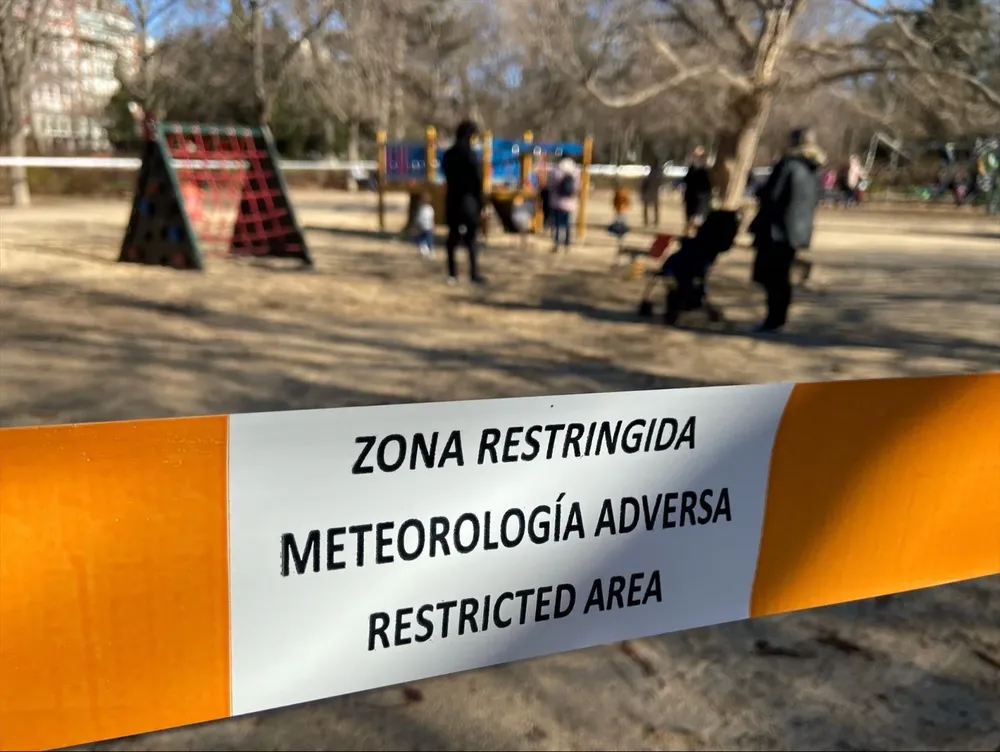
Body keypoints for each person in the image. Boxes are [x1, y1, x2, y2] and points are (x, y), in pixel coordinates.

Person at [749, 127, 826, 333]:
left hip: (777, 229)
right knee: (781, 275)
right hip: (797, 230)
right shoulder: (814, 168)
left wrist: (758, 188)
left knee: (771, 275)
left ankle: (773, 319)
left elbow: (772, 195)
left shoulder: (788, 164)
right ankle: (778, 317)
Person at [441, 120, 486, 285]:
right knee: (471, 239)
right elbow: (477, 180)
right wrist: (481, 203)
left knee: (452, 237)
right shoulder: (471, 155)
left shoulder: (448, 154)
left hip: (452, 198)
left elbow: (446, 175)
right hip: (469, 201)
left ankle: (452, 274)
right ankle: (473, 274)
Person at [548, 156, 579, 253]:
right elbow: (577, 186)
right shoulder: (575, 170)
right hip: (570, 203)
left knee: (557, 224)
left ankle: (557, 243)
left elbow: (551, 184)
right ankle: (567, 243)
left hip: (557, 202)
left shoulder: (556, 170)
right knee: (567, 224)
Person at [682, 146, 713, 236]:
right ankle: (687, 231)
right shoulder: (691, 168)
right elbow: (686, 180)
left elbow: (707, 184)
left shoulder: (705, 170)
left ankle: (696, 233)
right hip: (690, 195)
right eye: (696, 155)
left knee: (698, 216)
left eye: (700, 156)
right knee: (689, 215)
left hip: (701, 196)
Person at [640, 159, 664, 227]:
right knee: (654, 207)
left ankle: (647, 220)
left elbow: (645, 182)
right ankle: (654, 221)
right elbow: (660, 182)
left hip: (650, 191)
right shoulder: (658, 173)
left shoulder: (651, 172)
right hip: (654, 191)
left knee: (647, 206)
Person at [415, 191, 435, 259]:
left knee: (424, 239)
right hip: (428, 226)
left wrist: (417, 224)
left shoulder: (422, 209)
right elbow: (432, 217)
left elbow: (419, 218)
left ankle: (427, 250)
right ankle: (427, 251)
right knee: (426, 239)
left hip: (424, 226)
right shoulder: (429, 208)